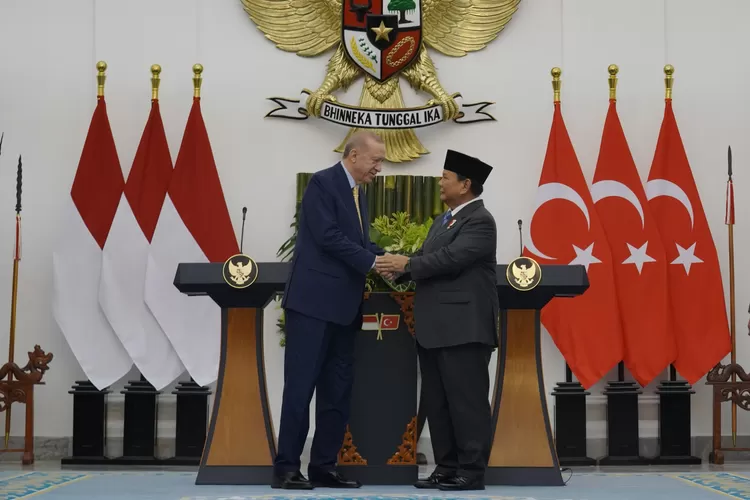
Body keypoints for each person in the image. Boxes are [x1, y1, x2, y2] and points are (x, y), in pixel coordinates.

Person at [274, 131, 391, 490]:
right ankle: (286, 468)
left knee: (336, 392)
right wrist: (373, 262)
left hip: (344, 308)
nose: (379, 167)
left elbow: (358, 242)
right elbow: (328, 237)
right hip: (312, 306)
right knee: (300, 389)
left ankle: (324, 466)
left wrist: (389, 259)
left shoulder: (359, 194)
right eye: (376, 160)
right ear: (354, 155)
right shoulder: (322, 184)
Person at [376, 149, 498, 491]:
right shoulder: (443, 220)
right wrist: (396, 268)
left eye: (445, 177)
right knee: (439, 402)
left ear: (466, 184)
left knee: (467, 403)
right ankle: (447, 466)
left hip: (464, 328)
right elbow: (425, 256)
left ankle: (471, 471)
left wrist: (407, 264)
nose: (440, 183)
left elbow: (450, 258)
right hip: (436, 328)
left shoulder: (480, 220)